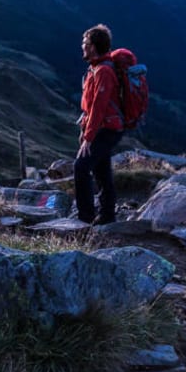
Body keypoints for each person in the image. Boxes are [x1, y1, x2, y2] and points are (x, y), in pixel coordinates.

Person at [75, 24, 124, 224]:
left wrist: (88, 137)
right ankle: (106, 216)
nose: (82, 47)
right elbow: (91, 106)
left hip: (107, 129)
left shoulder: (103, 71)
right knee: (102, 171)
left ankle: (85, 218)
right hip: (105, 127)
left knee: (81, 167)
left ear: (94, 46)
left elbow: (99, 106)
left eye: (85, 43)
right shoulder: (96, 68)